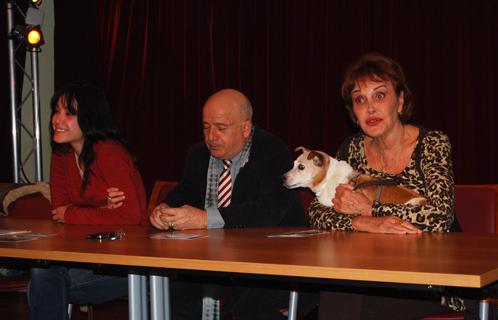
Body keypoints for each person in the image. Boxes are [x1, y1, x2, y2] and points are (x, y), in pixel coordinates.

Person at [309, 53, 474, 319]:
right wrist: (363, 222)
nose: (370, 108)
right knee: (338, 288)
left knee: (352, 301)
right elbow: (317, 212)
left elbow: (440, 216)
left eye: (380, 95)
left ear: (400, 101)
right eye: (360, 99)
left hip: (430, 276)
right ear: (353, 112)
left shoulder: (431, 143)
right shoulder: (351, 150)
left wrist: (373, 210)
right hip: (368, 269)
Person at [150, 88, 309, 319]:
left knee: (250, 305)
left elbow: (270, 209)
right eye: (206, 127)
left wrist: (206, 218)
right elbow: (184, 191)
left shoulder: (271, 150)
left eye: (221, 128)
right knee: (177, 289)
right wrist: (164, 208)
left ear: (246, 128)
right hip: (212, 258)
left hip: (271, 260)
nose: (211, 136)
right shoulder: (198, 154)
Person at [28, 84, 147, 320]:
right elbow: (57, 210)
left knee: (44, 284)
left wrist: (75, 214)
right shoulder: (62, 153)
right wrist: (102, 209)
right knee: (42, 273)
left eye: (68, 113)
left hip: (126, 262)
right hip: (84, 254)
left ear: (89, 118)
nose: (57, 119)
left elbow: (131, 217)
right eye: (56, 110)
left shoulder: (109, 152)